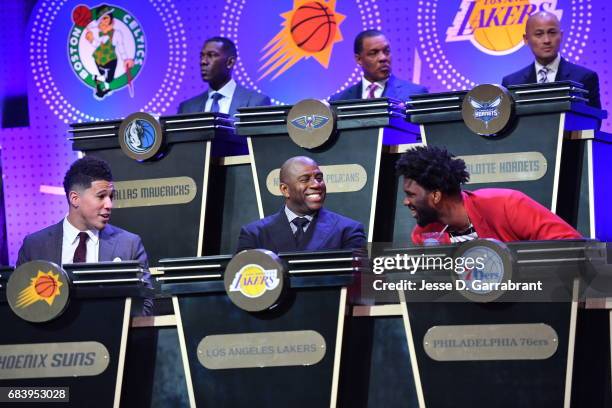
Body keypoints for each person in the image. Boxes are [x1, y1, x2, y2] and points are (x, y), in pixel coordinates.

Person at [17, 156, 152, 314]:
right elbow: (20, 304)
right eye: (101, 196)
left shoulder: (129, 244)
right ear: (75, 198)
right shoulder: (34, 246)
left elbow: (145, 303)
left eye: (111, 197)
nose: (109, 205)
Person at [395, 146, 581, 245]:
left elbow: (571, 246)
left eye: (410, 195)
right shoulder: (424, 235)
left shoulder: (506, 204)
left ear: (435, 196)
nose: (406, 202)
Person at [237, 156, 366, 253]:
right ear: (285, 190)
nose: (316, 184)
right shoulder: (254, 234)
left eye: (319, 178)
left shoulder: (348, 230)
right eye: (305, 180)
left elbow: (358, 282)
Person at [501, 11, 601, 109]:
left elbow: (594, 120)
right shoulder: (511, 83)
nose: (547, 40)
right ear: (526, 39)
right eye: (539, 34)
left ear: (561, 36)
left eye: (552, 33)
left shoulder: (584, 78)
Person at [178, 36, 271, 117]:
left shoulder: (256, 103)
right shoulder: (187, 108)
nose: (203, 61)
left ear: (230, 62)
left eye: (211, 55)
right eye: (202, 56)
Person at [329, 30, 427, 102]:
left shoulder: (414, 95)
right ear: (359, 59)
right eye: (373, 53)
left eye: (386, 51)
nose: (383, 58)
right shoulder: (339, 101)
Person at [85, 5, 134, 99]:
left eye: (106, 18)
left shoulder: (116, 33)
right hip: (98, 59)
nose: (104, 21)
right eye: (101, 19)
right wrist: (90, 39)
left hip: (110, 60)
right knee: (105, 77)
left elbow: (121, 47)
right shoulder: (100, 33)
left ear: (111, 18)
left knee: (109, 78)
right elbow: (96, 44)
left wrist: (125, 59)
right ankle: (101, 84)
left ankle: (99, 81)